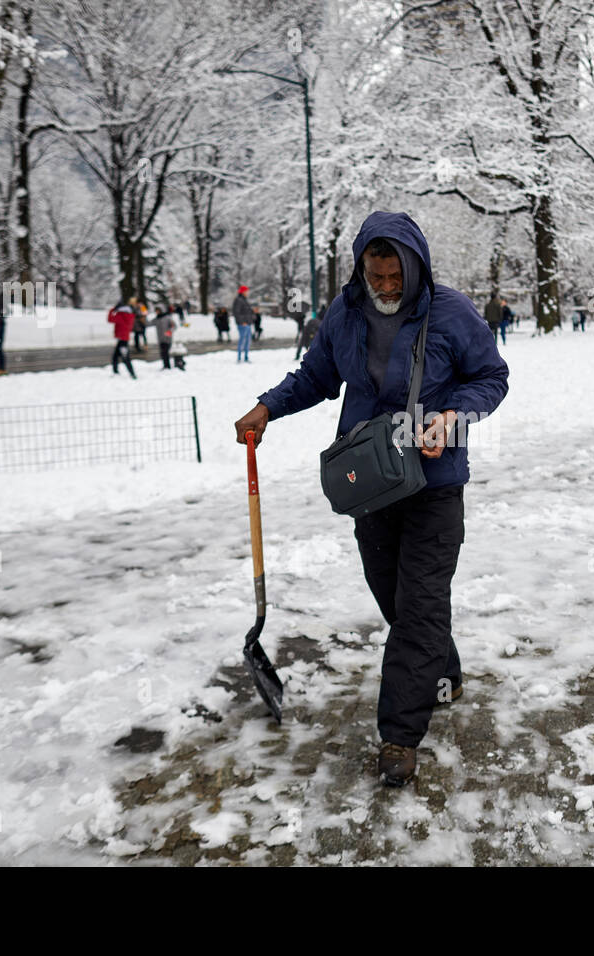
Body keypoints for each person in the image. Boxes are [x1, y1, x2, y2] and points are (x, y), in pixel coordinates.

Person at [232, 211, 509, 788]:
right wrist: (267, 407)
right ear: (361, 268)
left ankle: (399, 736)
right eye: (374, 275)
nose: (385, 288)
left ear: (415, 267)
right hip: (373, 479)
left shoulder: (451, 312)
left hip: (434, 482)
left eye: (394, 277)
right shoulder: (346, 311)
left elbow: (491, 377)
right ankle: (443, 670)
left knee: (422, 603)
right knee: (395, 595)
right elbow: (315, 376)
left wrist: (454, 415)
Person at [107, 299, 137, 378]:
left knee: (125, 358)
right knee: (116, 357)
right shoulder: (129, 316)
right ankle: (116, 372)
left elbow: (110, 319)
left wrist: (113, 309)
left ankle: (132, 374)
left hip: (122, 340)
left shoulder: (121, 316)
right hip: (124, 339)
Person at [232, 285, 253, 362]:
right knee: (242, 341)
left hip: (248, 323)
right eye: (246, 291)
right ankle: (239, 357)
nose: (247, 293)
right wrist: (242, 322)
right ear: (242, 292)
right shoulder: (238, 300)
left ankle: (246, 357)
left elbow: (247, 312)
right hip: (243, 324)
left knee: (248, 341)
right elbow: (236, 312)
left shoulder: (244, 300)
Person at [155, 302, 177, 369]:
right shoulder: (157, 319)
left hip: (167, 339)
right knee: (162, 354)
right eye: (156, 310)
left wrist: (170, 331)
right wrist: (144, 314)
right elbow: (148, 323)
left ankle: (167, 366)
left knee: (165, 353)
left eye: (158, 310)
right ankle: (165, 366)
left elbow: (174, 326)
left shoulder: (168, 318)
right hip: (160, 339)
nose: (157, 312)